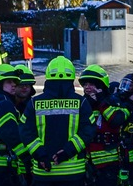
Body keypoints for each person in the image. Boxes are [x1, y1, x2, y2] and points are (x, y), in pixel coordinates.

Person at [25, 56, 93, 186]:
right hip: (73, 172)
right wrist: (68, 151)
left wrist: (40, 154)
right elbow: (88, 131)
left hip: (44, 172)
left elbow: (26, 132)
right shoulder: (82, 102)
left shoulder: (34, 103)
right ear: (72, 78)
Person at [79, 65, 129, 186]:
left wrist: (101, 103)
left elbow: (116, 120)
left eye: (91, 84)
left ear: (100, 85)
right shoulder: (82, 104)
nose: (87, 87)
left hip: (110, 163)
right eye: (85, 84)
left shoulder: (114, 102)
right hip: (87, 162)